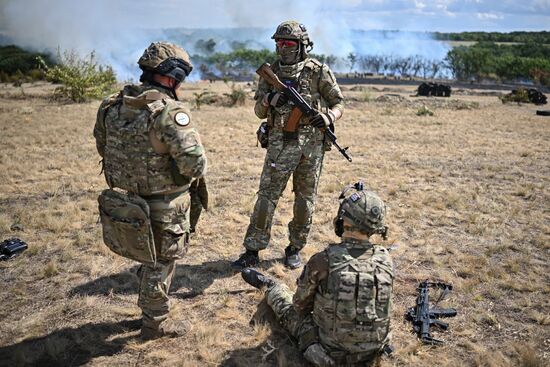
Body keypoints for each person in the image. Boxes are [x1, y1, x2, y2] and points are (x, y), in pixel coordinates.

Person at [93, 42, 207, 340]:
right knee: (161, 263)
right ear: (173, 77)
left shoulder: (112, 105)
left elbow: (103, 146)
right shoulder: (168, 113)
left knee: (149, 259)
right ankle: (155, 324)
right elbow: (195, 166)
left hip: (127, 200)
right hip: (163, 204)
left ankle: (147, 299)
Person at [232, 20, 345, 270]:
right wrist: (270, 99)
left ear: (302, 45)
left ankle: (295, 248)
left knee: (305, 201)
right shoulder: (271, 72)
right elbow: (259, 111)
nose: (283, 47)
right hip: (279, 145)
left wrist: (328, 117)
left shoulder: (318, 71)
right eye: (279, 42)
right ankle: (252, 249)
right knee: (266, 198)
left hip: (311, 147)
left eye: (288, 43)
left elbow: (339, 103)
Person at [241, 182, 393, 366]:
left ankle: (271, 288)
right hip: (371, 354)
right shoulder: (386, 260)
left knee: (288, 307)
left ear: (344, 221)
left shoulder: (323, 260)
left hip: (327, 355)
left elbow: (299, 305)